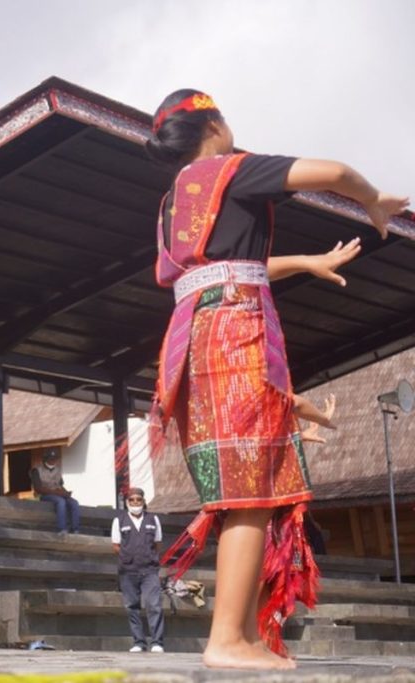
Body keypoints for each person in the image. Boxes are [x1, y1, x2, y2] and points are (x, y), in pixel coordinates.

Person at [146, 90, 408, 669]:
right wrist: (374, 199)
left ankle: (239, 634)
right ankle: (227, 641)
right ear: (213, 123)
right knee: (249, 492)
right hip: (234, 331)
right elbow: (334, 172)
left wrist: (306, 261)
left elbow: (223, 267)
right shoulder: (232, 167)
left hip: (193, 336)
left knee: (242, 490)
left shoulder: (173, 202)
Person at [111, 488, 164, 654]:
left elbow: (157, 542)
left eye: (138, 500)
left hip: (149, 570)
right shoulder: (119, 520)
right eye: (132, 500)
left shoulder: (153, 519)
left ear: (143, 501)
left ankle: (157, 642)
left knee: (154, 605)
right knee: (131, 606)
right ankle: (139, 642)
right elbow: (116, 545)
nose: (135, 503)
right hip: (128, 570)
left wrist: (147, 556)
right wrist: (129, 556)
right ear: (127, 502)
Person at [31, 450, 80, 535]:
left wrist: (66, 493)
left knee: (74, 503)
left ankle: (75, 529)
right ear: (46, 459)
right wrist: (57, 493)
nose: (53, 461)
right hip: (46, 495)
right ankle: (62, 529)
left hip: (59, 493)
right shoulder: (37, 470)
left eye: (55, 459)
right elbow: (38, 489)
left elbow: (60, 485)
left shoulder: (57, 470)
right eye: (51, 459)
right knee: (61, 502)